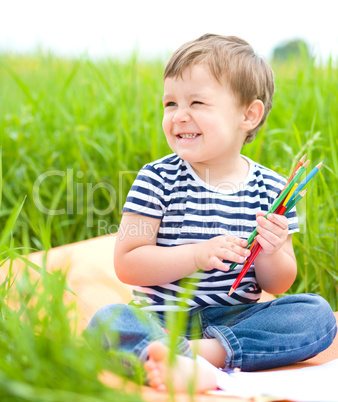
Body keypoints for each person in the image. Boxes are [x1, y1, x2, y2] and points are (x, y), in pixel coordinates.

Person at [87, 34, 337, 393]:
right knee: (110, 319)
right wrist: (196, 255)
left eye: (197, 102)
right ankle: (178, 356)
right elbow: (128, 263)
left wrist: (271, 251)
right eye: (170, 103)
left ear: (248, 115)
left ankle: (198, 357)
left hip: (237, 319)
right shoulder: (156, 178)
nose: (178, 116)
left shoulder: (273, 189)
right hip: (161, 319)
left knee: (316, 315)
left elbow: (278, 284)